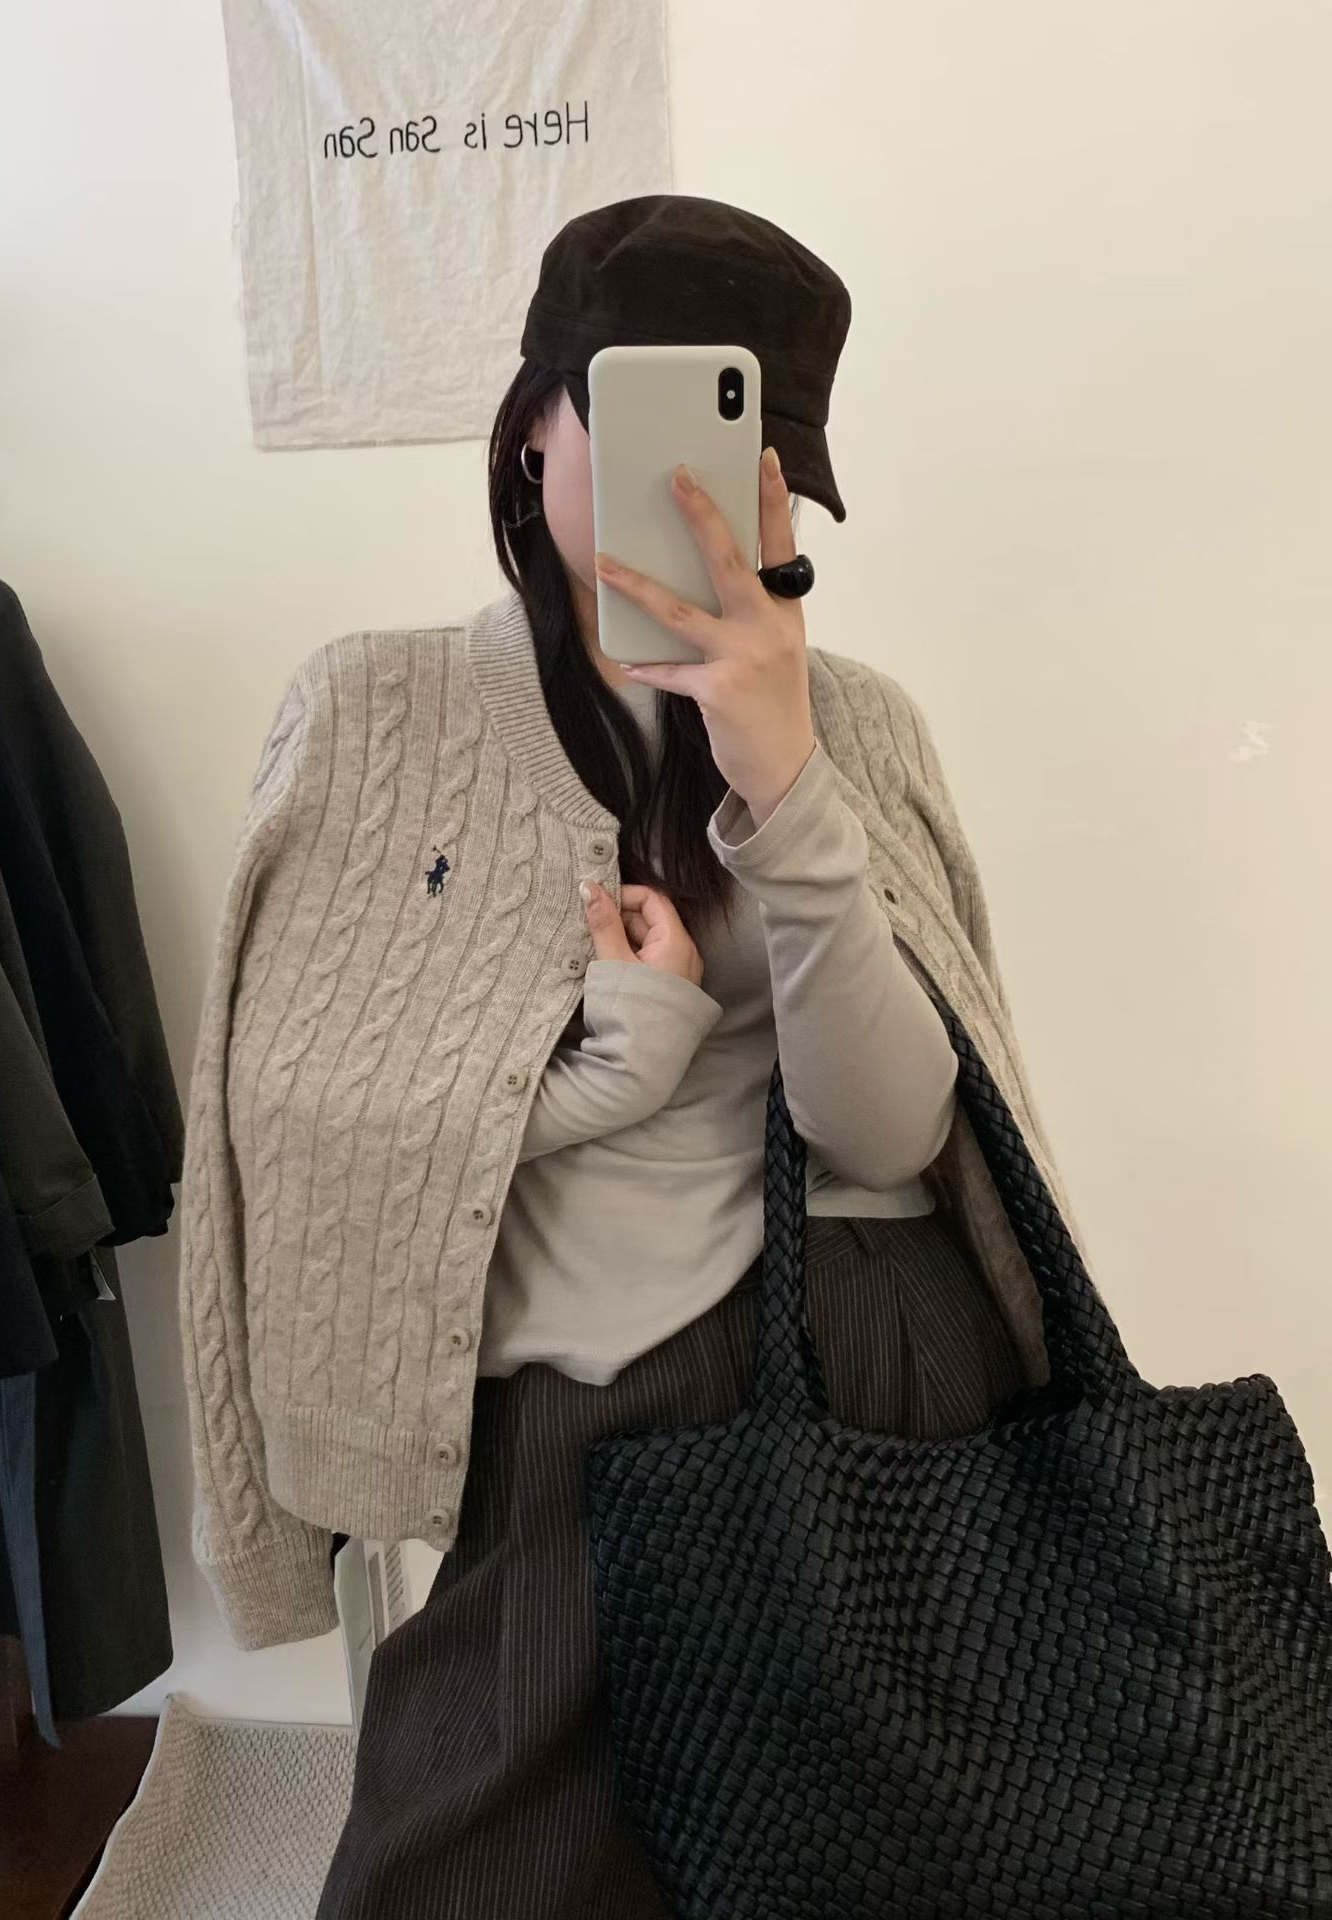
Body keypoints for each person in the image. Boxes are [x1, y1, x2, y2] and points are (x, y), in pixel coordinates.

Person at [177, 195, 1075, 1919]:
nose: (708, 494)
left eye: (754, 455)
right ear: (533, 428)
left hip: (882, 1361)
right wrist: (616, 1067)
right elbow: (296, 1126)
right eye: (659, 426)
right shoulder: (374, 709)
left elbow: (893, 1132)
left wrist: (785, 779)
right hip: (585, 1407)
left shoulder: (853, 718)